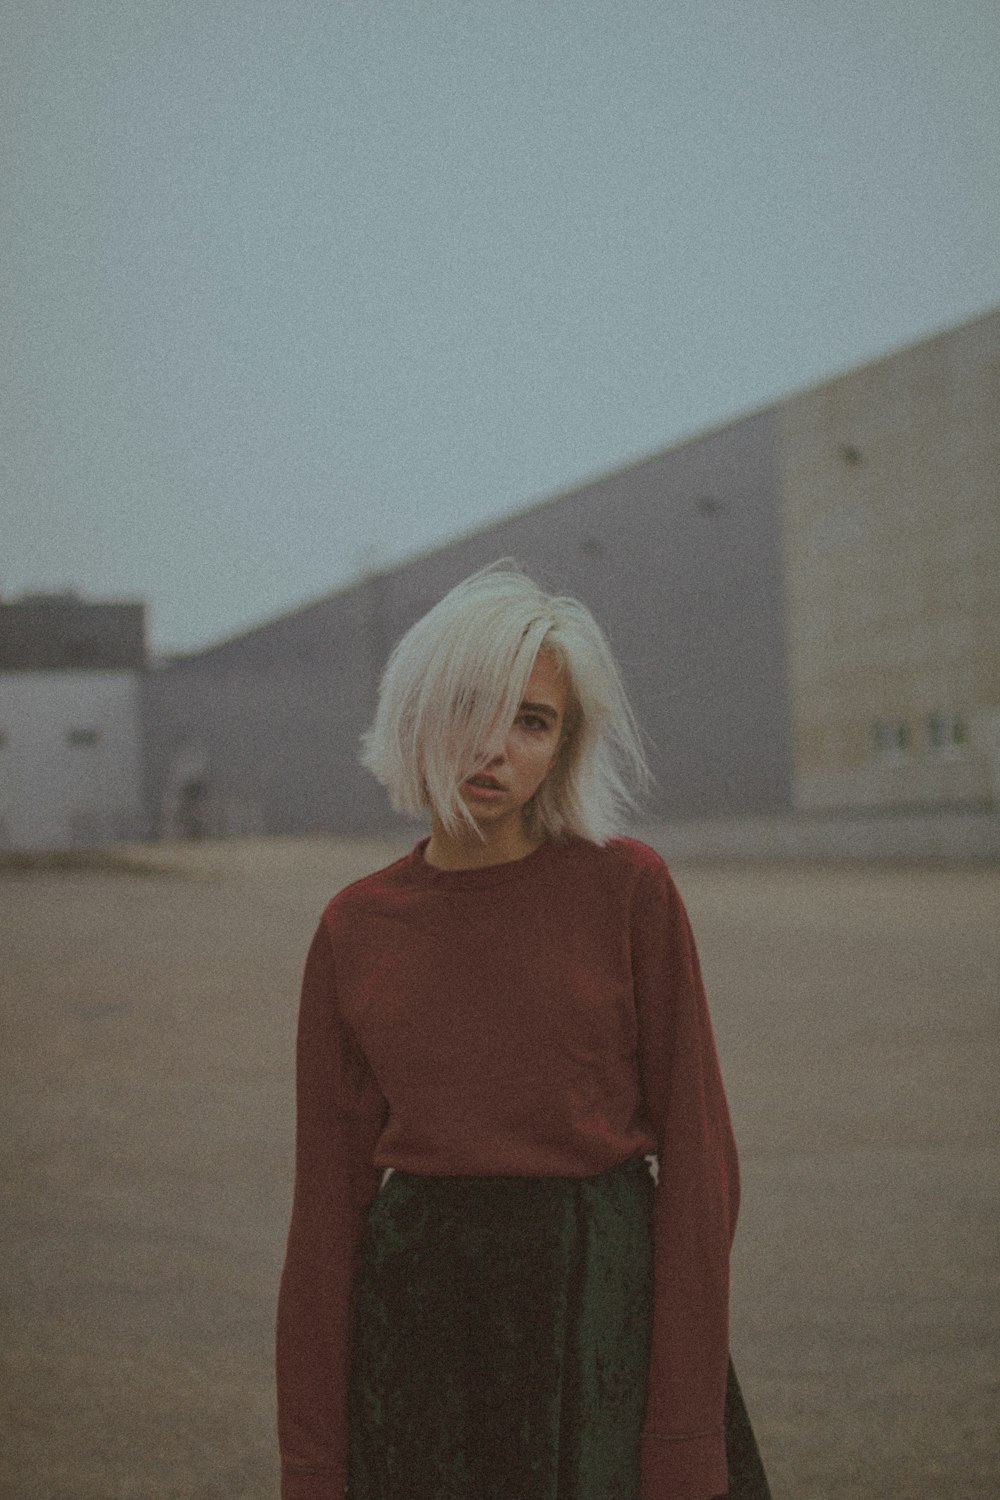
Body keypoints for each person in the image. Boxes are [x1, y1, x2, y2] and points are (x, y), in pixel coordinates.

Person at [276, 562, 771, 1500]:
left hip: (601, 1324)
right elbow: (326, 1214)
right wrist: (313, 1463)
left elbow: (704, 1173)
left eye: (531, 721)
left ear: (563, 746)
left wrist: (683, 1436)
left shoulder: (627, 890)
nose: (494, 748)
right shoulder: (356, 926)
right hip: (418, 1337)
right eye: (470, 708)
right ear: (415, 712)